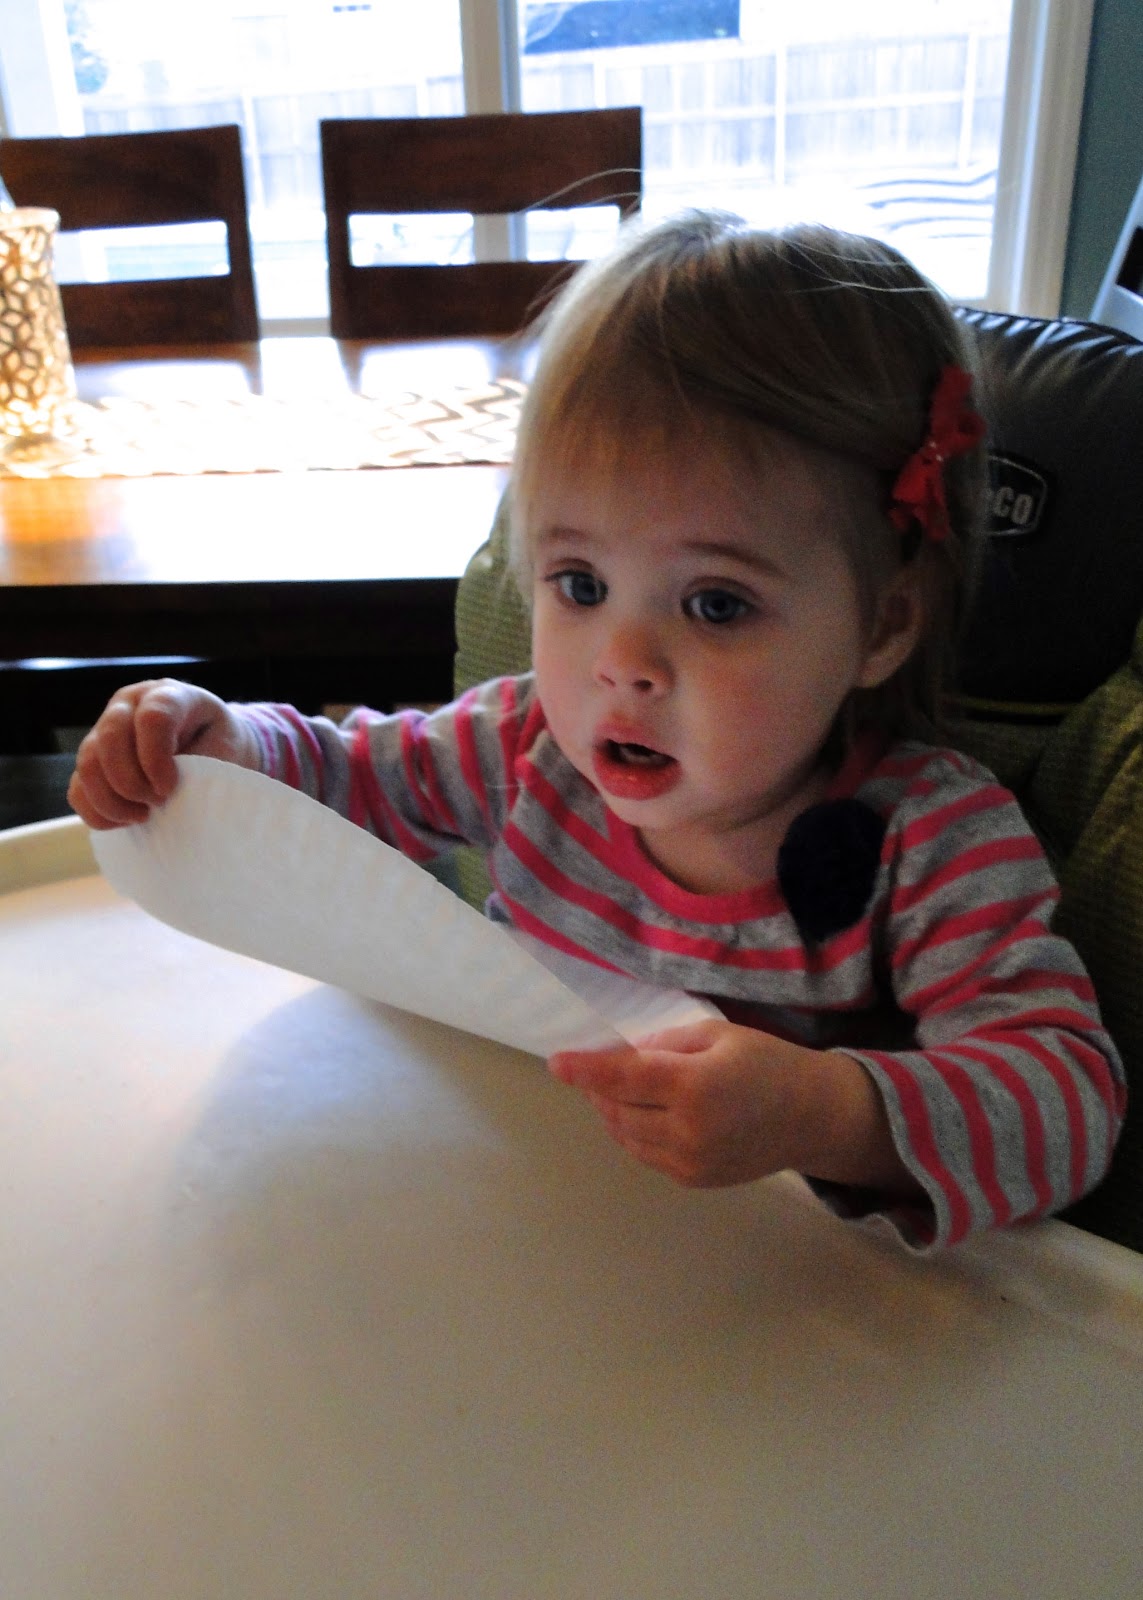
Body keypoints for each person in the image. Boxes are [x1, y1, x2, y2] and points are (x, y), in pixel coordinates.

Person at [69, 210, 1125, 1251]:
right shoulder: (525, 745)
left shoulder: (932, 847)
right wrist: (230, 748)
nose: (622, 661)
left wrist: (823, 1111)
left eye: (715, 603)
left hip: (780, 1299)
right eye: (579, 583)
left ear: (882, 626)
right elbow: (350, 780)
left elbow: (1069, 1103)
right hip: (526, 1222)